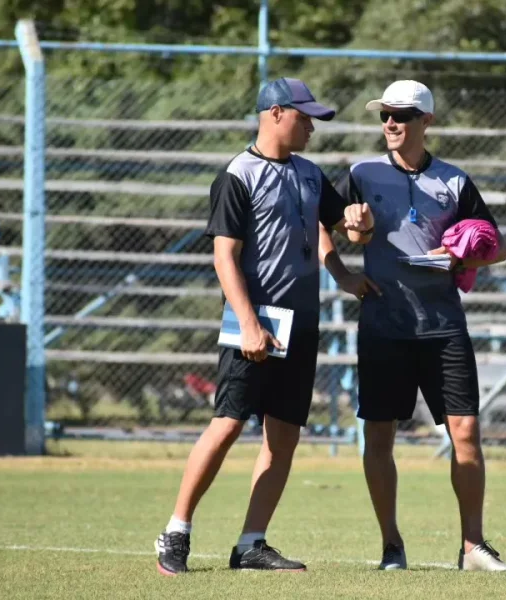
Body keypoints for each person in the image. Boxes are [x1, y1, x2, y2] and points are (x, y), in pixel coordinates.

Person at [155, 77, 374, 576]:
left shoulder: (311, 175)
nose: (312, 127)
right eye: (305, 116)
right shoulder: (238, 174)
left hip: (301, 321)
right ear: (275, 113)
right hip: (251, 321)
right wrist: (250, 324)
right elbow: (224, 258)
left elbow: (341, 226)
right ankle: (176, 530)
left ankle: (251, 544)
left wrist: (351, 248)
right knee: (228, 424)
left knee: (283, 437)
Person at [320, 80, 506, 572]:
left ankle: (472, 547)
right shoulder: (361, 173)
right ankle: (391, 546)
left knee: (466, 431)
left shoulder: (453, 181)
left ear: (425, 122)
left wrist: (462, 253)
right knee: (379, 437)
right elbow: (325, 225)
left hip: (443, 325)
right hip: (384, 324)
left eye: (402, 115)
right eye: (385, 114)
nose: (390, 123)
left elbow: (499, 247)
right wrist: (343, 273)